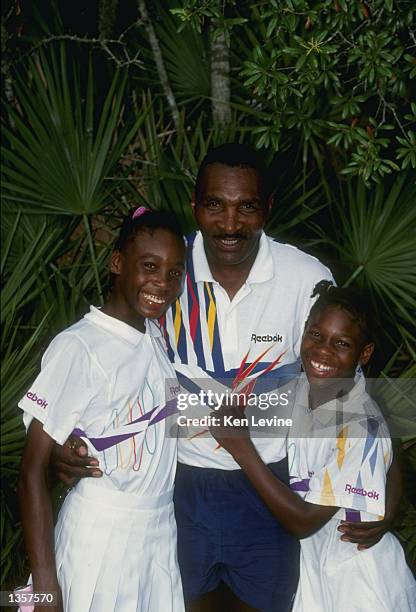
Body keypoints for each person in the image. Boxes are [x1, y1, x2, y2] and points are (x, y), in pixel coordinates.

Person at [50, 144, 401, 612]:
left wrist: (390, 490)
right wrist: (70, 443)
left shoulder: (305, 277)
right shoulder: (167, 270)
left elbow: (349, 395)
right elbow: (112, 361)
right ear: (195, 206)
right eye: (215, 205)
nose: (230, 224)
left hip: (273, 487)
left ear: (267, 208)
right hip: (178, 488)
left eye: (247, 207)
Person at [17, 208, 187, 612]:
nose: (162, 283)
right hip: (102, 535)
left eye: (175, 272)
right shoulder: (80, 346)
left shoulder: (155, 334)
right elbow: (30, 471)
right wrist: (44, 587)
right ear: (116, 263)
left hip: (159, 534)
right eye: (149, 266)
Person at [210, 281, 416, 611]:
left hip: (359, 578)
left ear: (364, 353)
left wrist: (242, 449)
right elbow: (209, 406)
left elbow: (304, 521)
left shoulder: (362, 426)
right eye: (316, 335)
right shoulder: (301, 387)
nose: (323, 350)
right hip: (314, 569)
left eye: (342, 343)